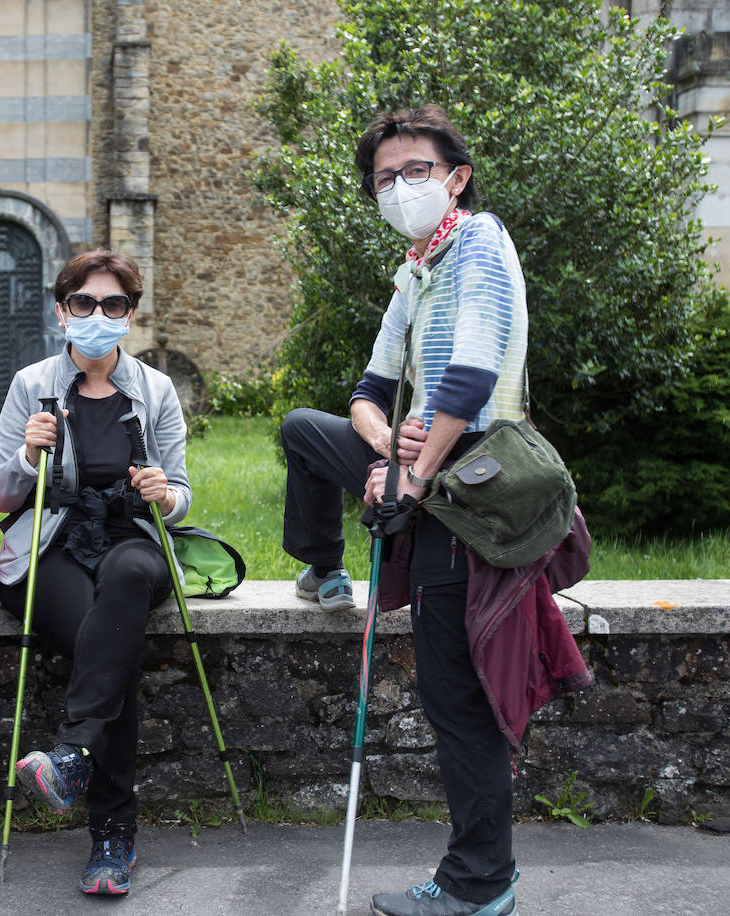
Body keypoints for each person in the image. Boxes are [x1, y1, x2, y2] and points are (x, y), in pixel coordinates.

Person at [281, 106, 594, 916]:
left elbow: (469, 375)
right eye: (384, 178)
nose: (398, 187)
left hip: (473, 490)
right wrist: (388, 446)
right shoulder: (416, 267)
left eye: (415, 170)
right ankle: (324, 568)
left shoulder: (480, 239)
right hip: (423, 468)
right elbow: (367, 390)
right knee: (304, 429)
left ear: (454, 175)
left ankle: (480, 885)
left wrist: (410, 479)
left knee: (459, 700)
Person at [0, 249, 189, 896]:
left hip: (132, 538)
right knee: (113, 647)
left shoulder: (154, 388)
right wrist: (24, 454)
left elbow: (182, 493)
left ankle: (71, 756)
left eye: (114, 305)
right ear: (61, 310)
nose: (98, 315)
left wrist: (164, 493)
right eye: (84, 303)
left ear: (130, 314)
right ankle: (112, 833)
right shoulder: (31, 385)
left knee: (126, 583)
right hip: (52, 544)